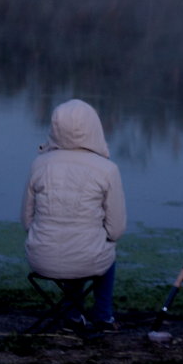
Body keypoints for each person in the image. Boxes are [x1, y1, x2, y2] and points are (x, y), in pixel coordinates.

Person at [21, 98, 127, 331]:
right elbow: (116, 230)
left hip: (41, 258)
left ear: (54, 127)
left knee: (77, 246)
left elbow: (27, 220)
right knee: (101, 251)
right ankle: (103, 317)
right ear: (94, 127)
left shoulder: (39, 165)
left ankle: (72, 315)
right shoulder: (107, 170)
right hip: (87, 259)